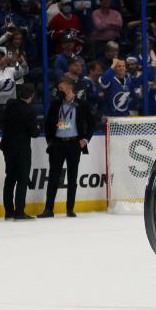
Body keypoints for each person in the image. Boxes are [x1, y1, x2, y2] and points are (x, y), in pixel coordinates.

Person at [39, 78, 94, 218]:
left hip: (74, 144)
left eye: (61, 89)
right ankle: (48, 209)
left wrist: (85, 140)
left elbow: (92, 123)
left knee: (72, 177)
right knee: (53, 177)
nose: (58, 91)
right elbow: (48, 123)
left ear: (69, 89)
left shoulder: (81, 104)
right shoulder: (56, 104)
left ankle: (70, 209)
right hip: (57, 144)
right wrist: (50, 141)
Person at [0, 83, 40, 220]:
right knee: (22, 179)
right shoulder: (29, 111)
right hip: (21, 149)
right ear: (31, 96)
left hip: (7, 147)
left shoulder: (7, 107)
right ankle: (19, 211)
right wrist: (38, 127)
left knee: (10, 179)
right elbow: (34, 133)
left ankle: (9, 212)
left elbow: (0, 122)